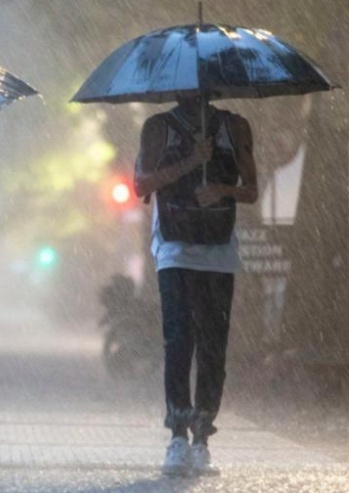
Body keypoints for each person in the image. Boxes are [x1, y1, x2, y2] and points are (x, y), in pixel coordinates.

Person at [133, 94, 257, 476]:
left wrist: (221, 189)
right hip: (174, 248)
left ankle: (202, 436)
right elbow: (140, 184)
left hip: (218, 251)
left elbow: (251, 190)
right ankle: (177, 435)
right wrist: (190, 163)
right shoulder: (159, 127)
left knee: (213, 342)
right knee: (178, 338)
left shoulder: (234, 127)